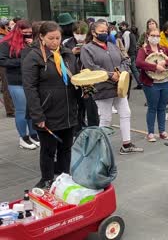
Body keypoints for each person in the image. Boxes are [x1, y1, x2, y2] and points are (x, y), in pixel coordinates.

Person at [22, 21, 78, 188]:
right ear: (41, 37)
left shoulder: (67, 54)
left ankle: (64, 177)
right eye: (51, 38)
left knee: (66, 148)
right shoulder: (33, 56)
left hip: (68, 109)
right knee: (48, 150)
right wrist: (37, 115)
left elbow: (74, 79)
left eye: (58, 38)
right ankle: (46, 179)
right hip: (47, 112)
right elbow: (30, 88)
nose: (55, 42)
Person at [80, 21, 143, 155]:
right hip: (102, 87)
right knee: (106, 118)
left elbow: (125, 60)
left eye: (106, 31)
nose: (105, 33)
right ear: (93, 33)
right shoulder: (87, 48)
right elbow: (90, 67)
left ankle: (127, 144)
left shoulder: (112, 45)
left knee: (126, 113)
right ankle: (101, 147)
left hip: (119, 86)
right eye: (101, 31)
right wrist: (110, 75)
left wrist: (120, 71)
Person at [136, 27, 168, 141]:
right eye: (153, 35)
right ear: (148, 36)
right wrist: (155, 67)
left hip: (165, 82)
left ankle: (162, 131)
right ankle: (150, 133)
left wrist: (165, 62)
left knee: (162, 107)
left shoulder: (164, 49)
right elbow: (139, 63)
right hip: (151, 84)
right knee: (152, 108)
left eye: (157, 36)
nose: (155, 38)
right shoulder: (144, 50)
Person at [0, 20, 39, 149]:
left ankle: (33, 135)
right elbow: (3, 61)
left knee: (32, 108)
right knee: (22, 110)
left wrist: (32, 46)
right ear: (18, 31)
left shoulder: (32, 43)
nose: (28, 34)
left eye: (30, 32)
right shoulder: (7, 43)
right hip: (16, 81)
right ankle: (23, 137)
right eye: (25, 32)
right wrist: (23, 60)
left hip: (31, 80)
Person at [63, 21, 99, 132]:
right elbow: (61, 59)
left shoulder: (91, 42)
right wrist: (70, 53)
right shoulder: (67, 43)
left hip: (89, 79)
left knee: (91, 104)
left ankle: (94, 128)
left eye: (82, 34)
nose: (80, 37)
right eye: (77, 34)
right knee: (77, 105)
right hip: (74, 78)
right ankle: (77, 128)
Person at [118, 21, 141, 89]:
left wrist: (124, 53)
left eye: (121, 26)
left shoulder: (126, 33)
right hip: (133, 53)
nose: (120, 27)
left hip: (129, 54)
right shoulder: (130, 33)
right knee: (134, 69)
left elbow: (127, 44)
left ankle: (139, 83)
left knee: (131, 69)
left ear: (125, 26)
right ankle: (140, 83)